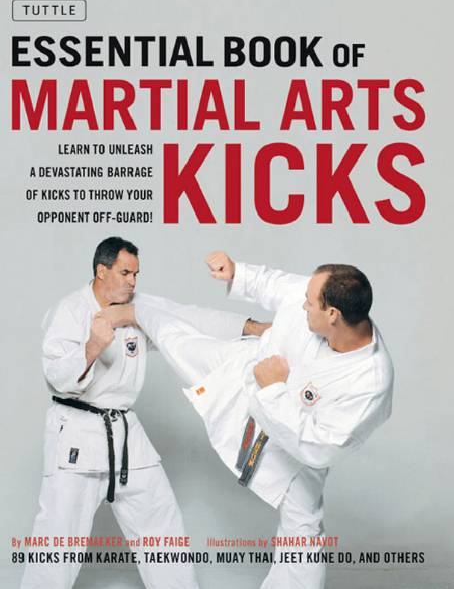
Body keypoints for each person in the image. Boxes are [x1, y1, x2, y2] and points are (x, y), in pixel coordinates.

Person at [120, 251, 394, 589]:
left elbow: (319, 448)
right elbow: (275, 284)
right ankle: (137, 311)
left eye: (309, 304)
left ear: (333, 314)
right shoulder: (320, 294)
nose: (303, 304)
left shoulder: (369, 382)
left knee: (303, 526)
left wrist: (274, 389)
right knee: (181, 345)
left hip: (294, 437)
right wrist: (237, 273)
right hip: (242, 370)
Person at [21, 238, 260, 589]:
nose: (133, 282)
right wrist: (92, 346)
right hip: (76, 430)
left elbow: (189, 318)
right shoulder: (69, 311)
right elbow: (56, 376)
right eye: (125, 273)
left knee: (161, 524)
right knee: (59, 535)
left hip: (124, 431)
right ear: (101, 271)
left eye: (136, 274)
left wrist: (253, 328)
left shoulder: (136, 309)